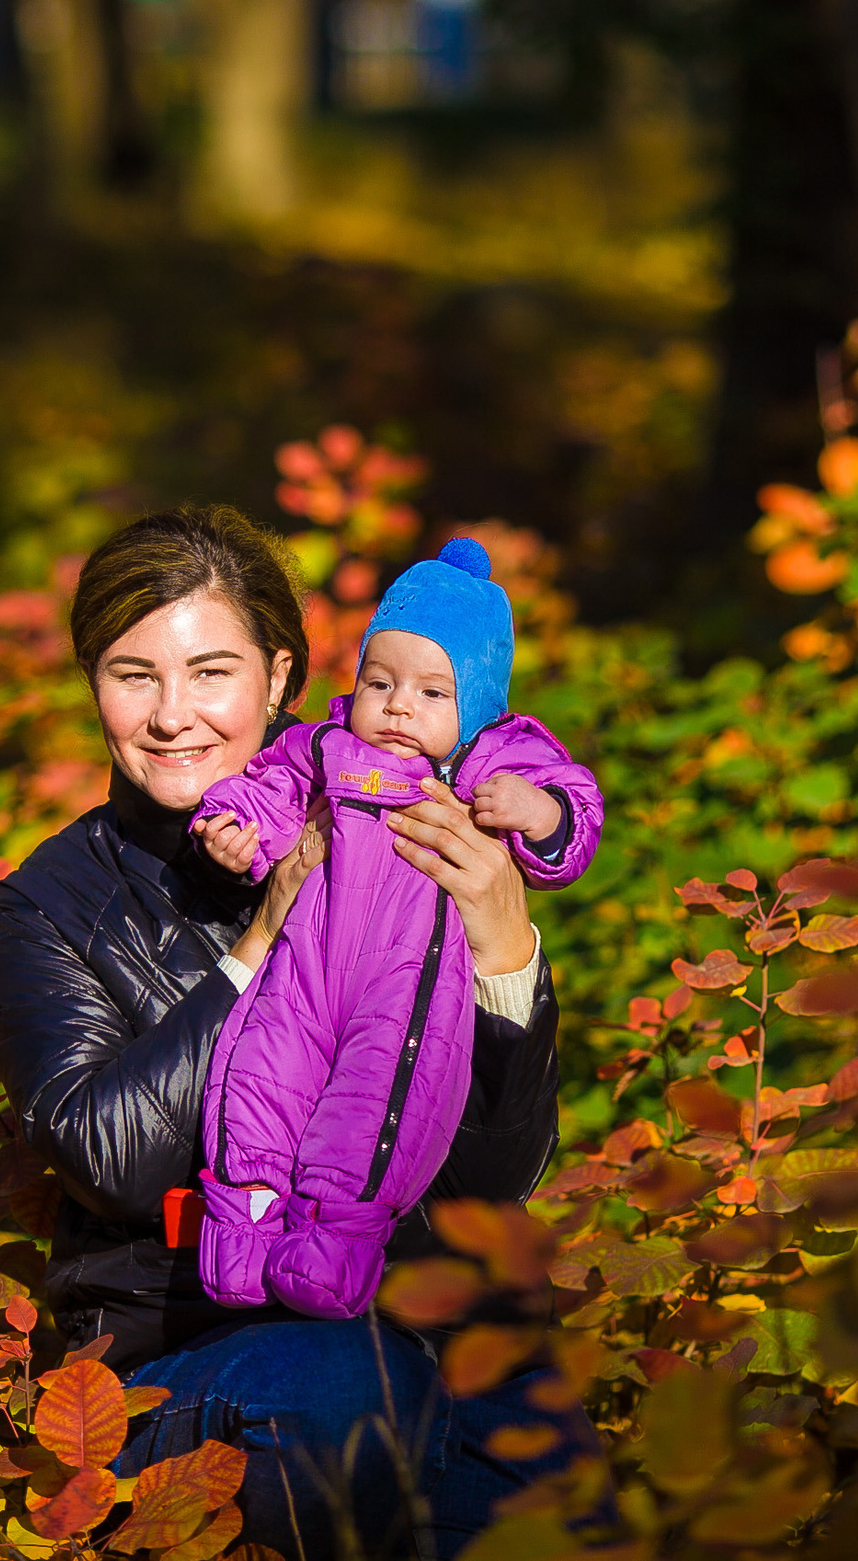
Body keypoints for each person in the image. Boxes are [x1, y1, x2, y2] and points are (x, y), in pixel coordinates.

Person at [0, 506, 593, 1558]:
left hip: (423, 1322)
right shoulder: (51, 903)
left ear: (279, 678)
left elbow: (494, 1181)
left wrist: (502, 949)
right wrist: (260, 939)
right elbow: (110, 1159)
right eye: (134, 675)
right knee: (352, 1390)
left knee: (556, 1489)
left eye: (210, 672)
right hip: (183, 1349)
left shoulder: (414, 821)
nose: (172, 716)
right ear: (92, 684)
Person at [187, 539, 602, 1322]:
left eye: (432, 690)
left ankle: (330, 1250)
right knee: (259, 1081)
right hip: (304, 973)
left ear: (476, 702)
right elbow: (268, 785)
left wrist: (536, 810)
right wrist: (235, 825)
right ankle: (239, 1234)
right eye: (380, 682)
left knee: (374, 1110)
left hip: (404, 990)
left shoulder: (488, 761)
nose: (399, 705)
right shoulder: (326, 746)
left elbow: (574, 814)